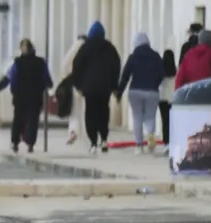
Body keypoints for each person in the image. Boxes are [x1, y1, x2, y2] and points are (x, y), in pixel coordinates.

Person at [0, 38, 52, 153]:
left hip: (20, 96)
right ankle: (30, 143)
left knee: (18, 119)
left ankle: (15, 142)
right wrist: (48, 85)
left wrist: (0, 87)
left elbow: (10, 77)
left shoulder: (17, 62)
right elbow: (46, 78)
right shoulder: (40, 62)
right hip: (35, 95)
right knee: (32, 119)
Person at [71, 21, 121, 154]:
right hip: (105, 87)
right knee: (103, 112)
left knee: (91, 113)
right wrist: (114, 85)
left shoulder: (85, 48)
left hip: (89, 88)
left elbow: (76, 66)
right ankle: (104, 139)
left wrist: (78, 85)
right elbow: (116, 66)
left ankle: (93, 142)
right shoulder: (110, 48)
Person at [116, 32, 165, 154]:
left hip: (135, 91)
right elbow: (162, 74)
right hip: (152, 91)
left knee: (137, 117)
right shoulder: (155, 56)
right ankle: (150, 137)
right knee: (150, 116)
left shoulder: (133, 57)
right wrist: (155, 83)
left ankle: (139, 146)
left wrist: (119, 92)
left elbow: (125, 76)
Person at [59, 34, 86, 145]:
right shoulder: (88, 50)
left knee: (75, 111)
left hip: (74, 84)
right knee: (87, 110)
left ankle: (73, 131)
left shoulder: (72, 51)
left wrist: (67, 77)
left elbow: (64, 67)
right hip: (87, 84)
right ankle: (87, 134)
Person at [160, 48, 177, 146]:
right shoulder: (176, 70)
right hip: (172, 99)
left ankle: (165, 142)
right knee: (172, 121)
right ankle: (172, 141)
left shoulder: (160, 71)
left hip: (162, 98)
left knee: (164, 121)